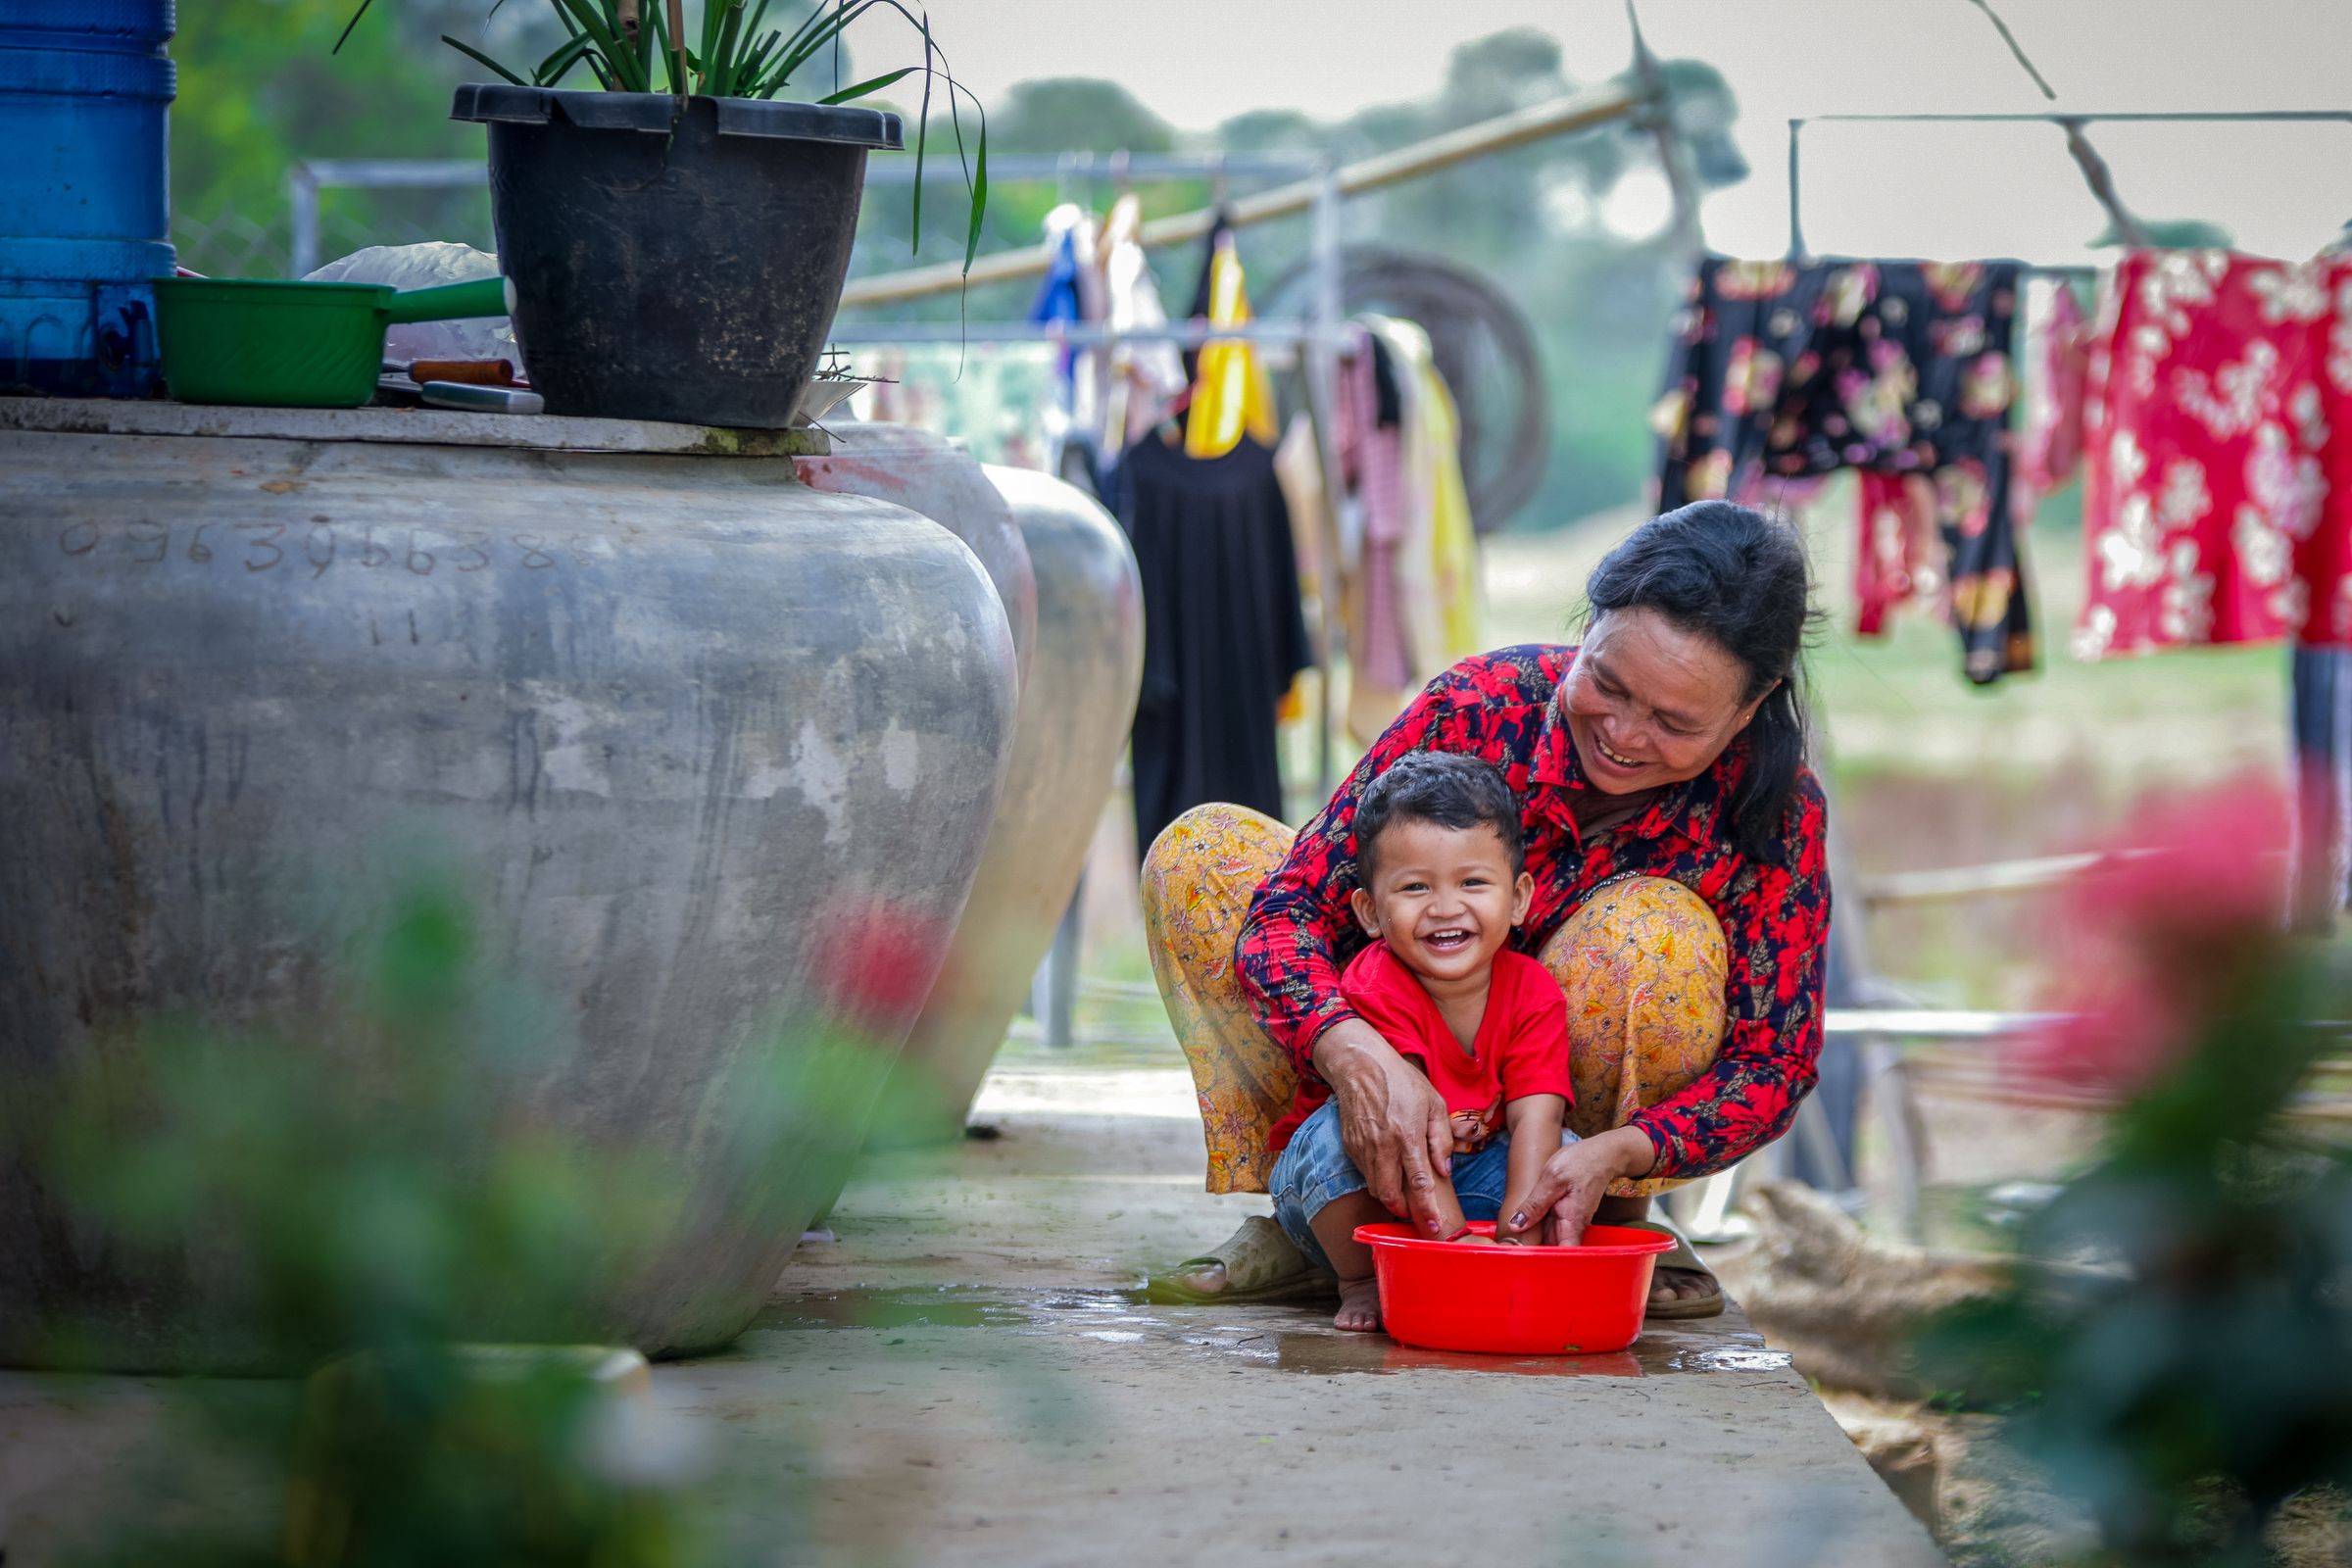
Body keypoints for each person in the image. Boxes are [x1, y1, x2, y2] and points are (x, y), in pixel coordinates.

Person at [1143, 500, 1830, 1319]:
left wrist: (1618, 1154)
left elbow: (1772, 1064)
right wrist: (1354, 1051)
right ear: (1591, 623)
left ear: (1751, 708)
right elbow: (1292, 905)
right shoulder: (1476, 707)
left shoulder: (1775, 812)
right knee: (1202, 856)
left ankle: (1600, 1219)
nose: (1623, 733)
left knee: (1653, 939)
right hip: (1370, 1070)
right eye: (1606, 683)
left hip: (1571, 1138)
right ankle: (1319, 1223)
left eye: (1675, 722)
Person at [1270, 751, 1574, 1332]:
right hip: (1351, 1188)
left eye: (1473, 882)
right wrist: (1456, 1250)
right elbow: (1400, 1127)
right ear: (1370, 911)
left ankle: (1495, 1252)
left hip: (1469, 1177)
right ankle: (1359, 1277)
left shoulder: (1534, 992)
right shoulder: (1375, 981)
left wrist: (1517, 1244)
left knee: (1564, 1144)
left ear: (1518, 899)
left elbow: (1537, 1117)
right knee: (1332, 1141)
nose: (1444, 907)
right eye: (1414, 887)